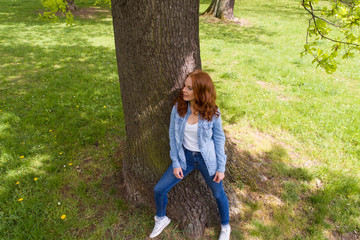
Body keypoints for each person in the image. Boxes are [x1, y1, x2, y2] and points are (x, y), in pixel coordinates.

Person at [149, 70, 231, 240]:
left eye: (189, 88)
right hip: (185, 157)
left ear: (200, 92)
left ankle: (225, 226)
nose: (183, 90)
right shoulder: (178, 108)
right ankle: (161, 218)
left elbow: (218, 140)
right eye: (184, 86)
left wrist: (220, 168)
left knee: (218, 193)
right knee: (159, 189)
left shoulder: (213, 113)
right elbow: (172, 136)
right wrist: (176, 162)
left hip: (206, 160)